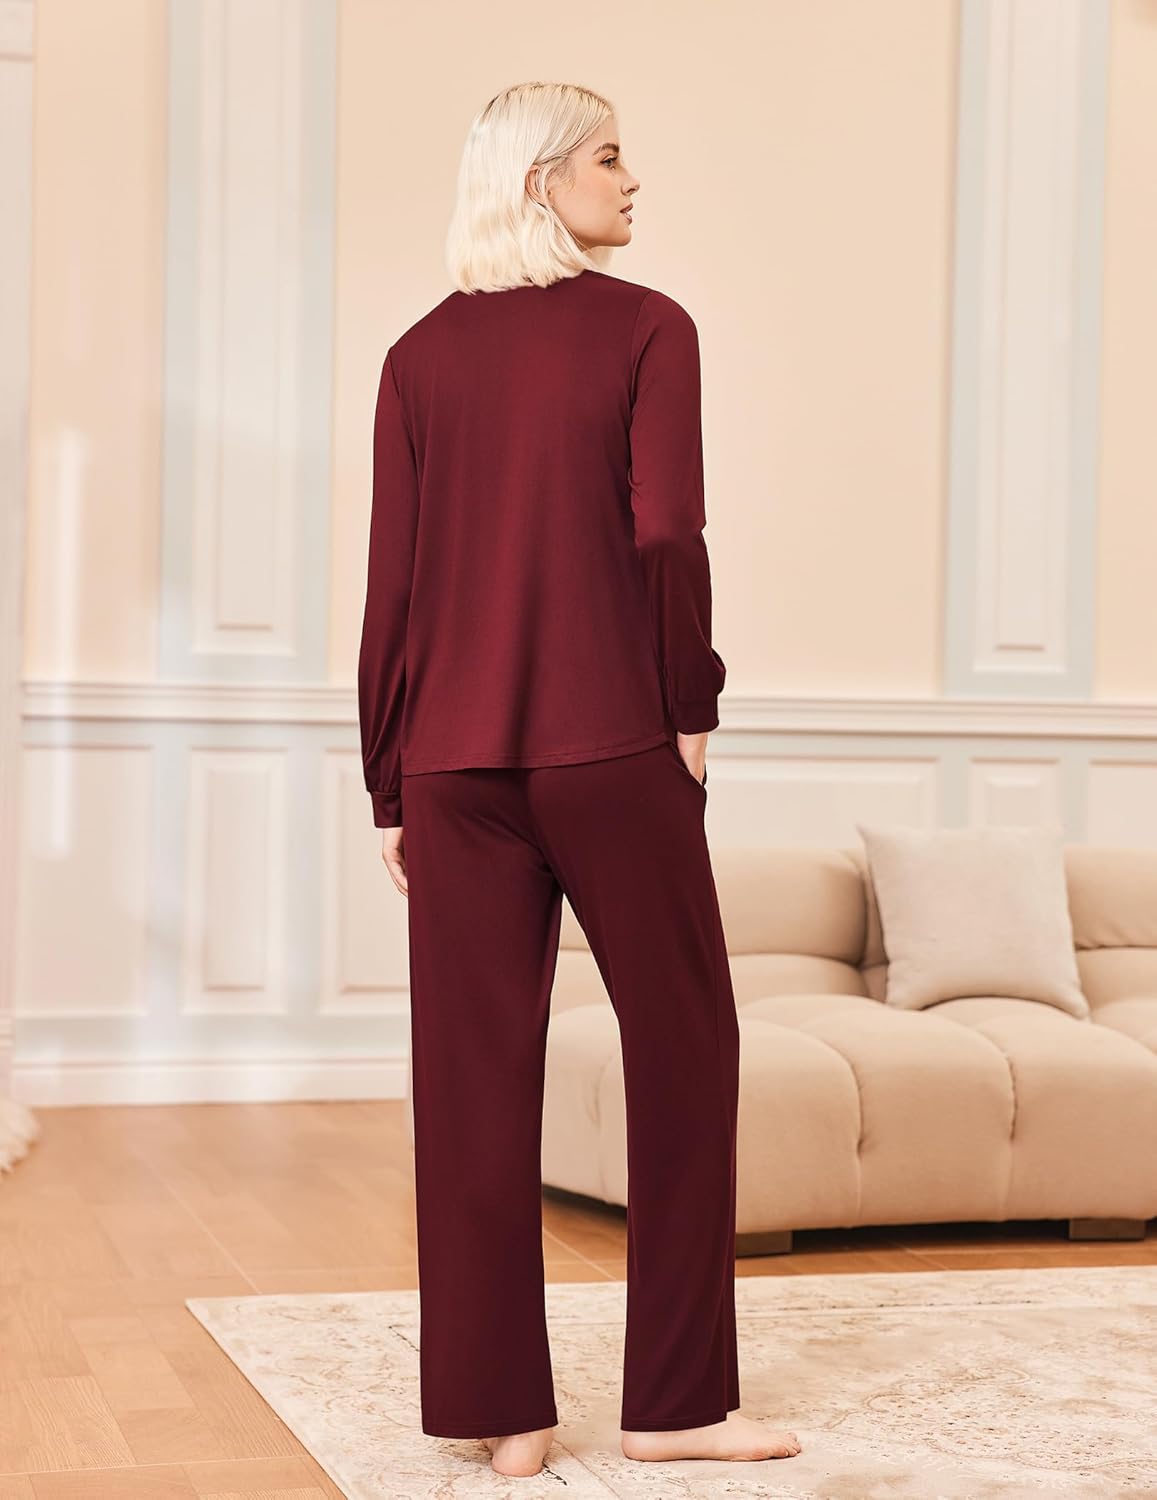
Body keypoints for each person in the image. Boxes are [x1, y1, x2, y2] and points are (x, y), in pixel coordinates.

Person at [357, 80, 802, 1479]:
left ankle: (505, 1416)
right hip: (612, 744)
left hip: (450, 764)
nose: (631, 180)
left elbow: (391, 591)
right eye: (610, 157)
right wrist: (689, 702)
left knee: (471, 1082)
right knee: (685, 1052)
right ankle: (675, 1407)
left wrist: (387, 781)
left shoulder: (416, 357)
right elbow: (667, 534)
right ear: (541, 181)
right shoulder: (649, 329)